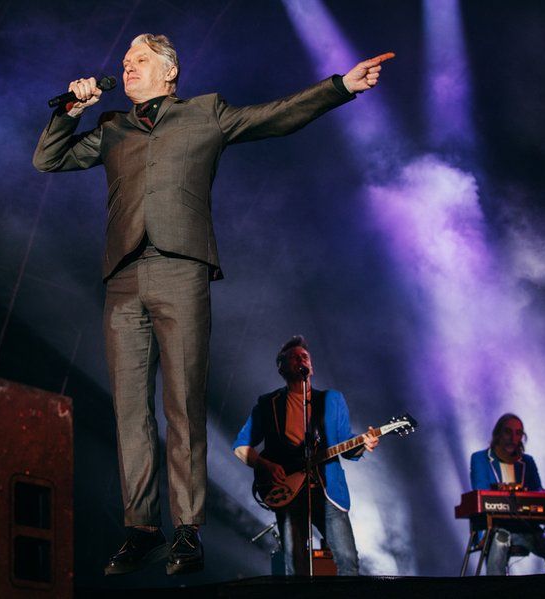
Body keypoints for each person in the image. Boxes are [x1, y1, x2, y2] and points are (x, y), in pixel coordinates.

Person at [33, 33, 394, 576]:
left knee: (182, 403)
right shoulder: (111, 127)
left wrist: (341, 86)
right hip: (124, 277)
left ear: (169, 72)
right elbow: (48, 159)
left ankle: (186, 530)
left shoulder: (205, 114)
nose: (126, 67)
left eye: (138, 61)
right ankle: (141, 527)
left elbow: (276, 116)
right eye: (124, 61)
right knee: (130, 409)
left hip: (182, 268)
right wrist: (71, 110)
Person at [232, 335, 378, 576]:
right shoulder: (268, 404)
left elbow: (345, 443)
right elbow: (240, 446)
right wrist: (265, 464)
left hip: (328, 490)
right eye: (294, 357)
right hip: (288, 492)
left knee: (348, 560)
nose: (302, 360)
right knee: (295, 565)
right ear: (282, 367)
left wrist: (364, 443)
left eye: (305, 357)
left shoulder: (332, 399)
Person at [469, 413, 545, 575]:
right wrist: (507, 492)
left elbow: (536, 493)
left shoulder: (527, 462)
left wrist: (542, 496)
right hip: (494, 528)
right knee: (500, 540)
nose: (513, 438)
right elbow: (480, 493)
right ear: (498, 434)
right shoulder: (480, 458)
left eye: (518, 433)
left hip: (526, 528)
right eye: (508, 432)